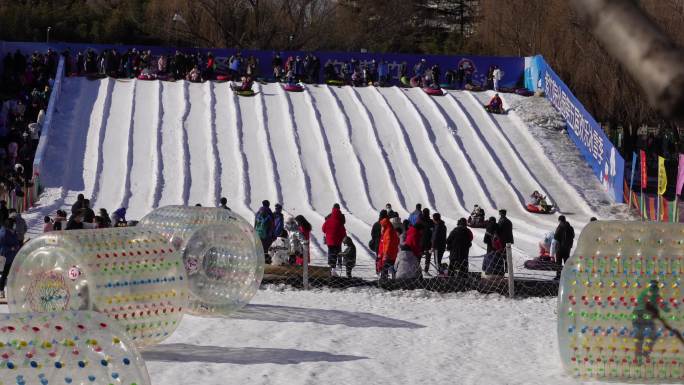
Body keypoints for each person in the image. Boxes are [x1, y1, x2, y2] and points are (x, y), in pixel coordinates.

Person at [633, 280, 671, 363]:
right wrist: (668, 309)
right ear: (657, 287)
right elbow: (663, 306)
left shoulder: (643, 292)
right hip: (646, 315)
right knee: (653, 334)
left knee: (639, 337)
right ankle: (646, 352)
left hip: (636, 315)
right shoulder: (656, 295)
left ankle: (637, 358)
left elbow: (638, 302)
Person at [322, 203, 347, 274]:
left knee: (331, 252)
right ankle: (339, 264)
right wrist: (344, 238)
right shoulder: (340, 220)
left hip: (329, 240)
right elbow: (343, 231)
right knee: (338, 251)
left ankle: (331, 265)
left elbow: (323, 229)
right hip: (338, 240)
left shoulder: (329, 218)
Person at [0, 219, 21, 296]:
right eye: (14, 224)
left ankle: (13, 292)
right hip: (5, 258)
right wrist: (10, 248)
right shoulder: (3, 234)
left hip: (13, 257)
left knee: (13, 274)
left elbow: (16, 241)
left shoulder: (13, 232)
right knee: (4, 275)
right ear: (10, 225)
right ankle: (1, 291)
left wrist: (17, 246)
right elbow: (2, 247)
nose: (15, 226)